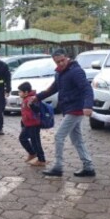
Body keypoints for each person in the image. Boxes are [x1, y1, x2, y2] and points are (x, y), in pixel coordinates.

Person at [31, 48, 95, 177]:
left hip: (75, 109)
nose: (60, 63)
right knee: (77, 139)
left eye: (62, 60)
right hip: (69, 109)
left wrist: (88, 105)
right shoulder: (60, 73)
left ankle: (58, 167)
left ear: (67, 57)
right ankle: (88, 167)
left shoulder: (75, 71)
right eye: (57, 62)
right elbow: (53, 89)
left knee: (59, 136)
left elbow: (87, 88)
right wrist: (37, 97)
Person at [17, 82, 47, 166]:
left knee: (36, 142)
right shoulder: (25, 99)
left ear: (26, 92)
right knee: (22, 138)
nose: (19, 93)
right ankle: (32, 153)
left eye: (20, 92)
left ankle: (41, 160)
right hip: (27, 124)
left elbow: (37, 110)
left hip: (34, 124)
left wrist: (32, 105)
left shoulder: (31, 99)